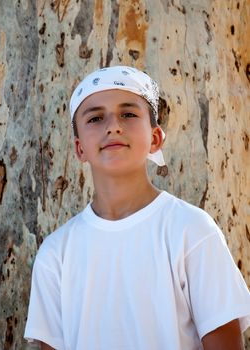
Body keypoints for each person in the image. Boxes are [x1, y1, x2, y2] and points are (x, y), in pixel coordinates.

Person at [24, 66, 250, 350]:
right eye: (95, 118)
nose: (113, 126)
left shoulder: (191, 230)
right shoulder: (56, 253)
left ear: (155, 138)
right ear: (80, 148)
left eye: (128, 114)